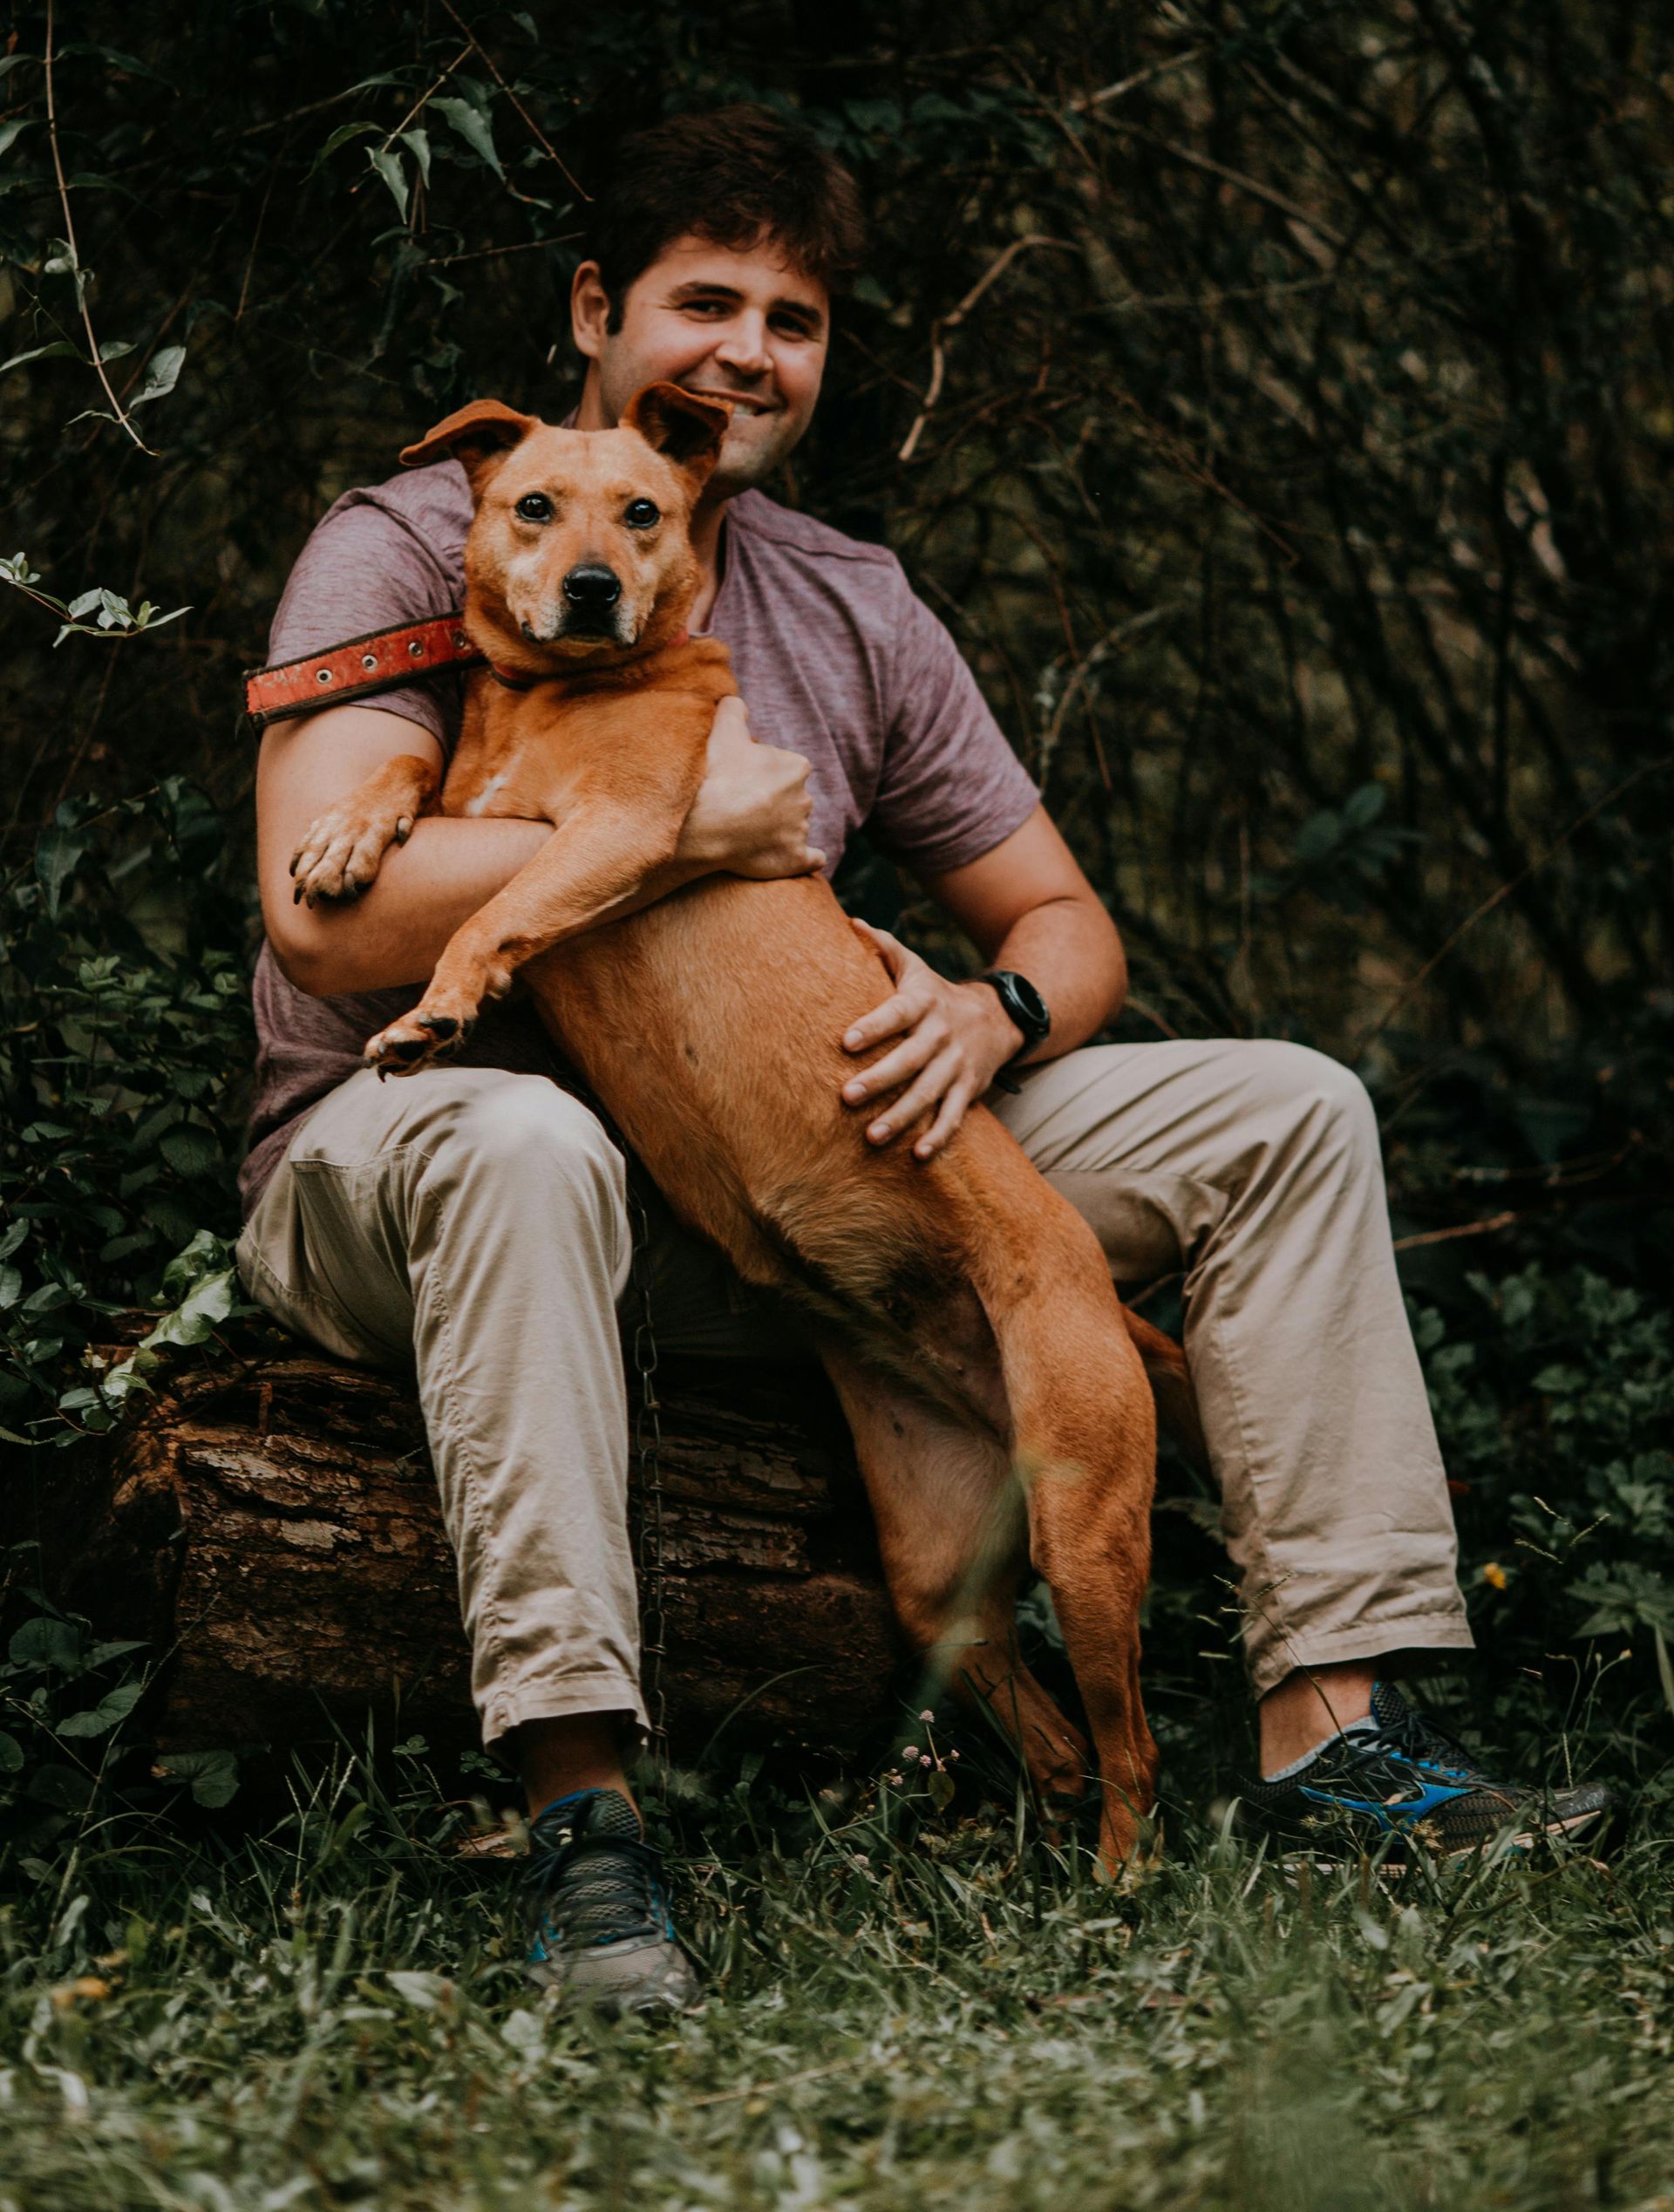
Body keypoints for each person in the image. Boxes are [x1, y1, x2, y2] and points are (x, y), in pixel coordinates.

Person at [238, 104, 1609, 2015]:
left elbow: (1066, 923)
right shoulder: (421, 530)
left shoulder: (849, 598)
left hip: (781, 1162)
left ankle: (1338, 1730)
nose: (744, 350)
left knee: (1291, 1108)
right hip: (419, 1152)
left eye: (790, 321)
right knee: (528, 1156)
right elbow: (324, 919)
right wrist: (705, 830)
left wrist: (993, 1011)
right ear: (591, 310)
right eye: (702, 300)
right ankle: (585, 1824)